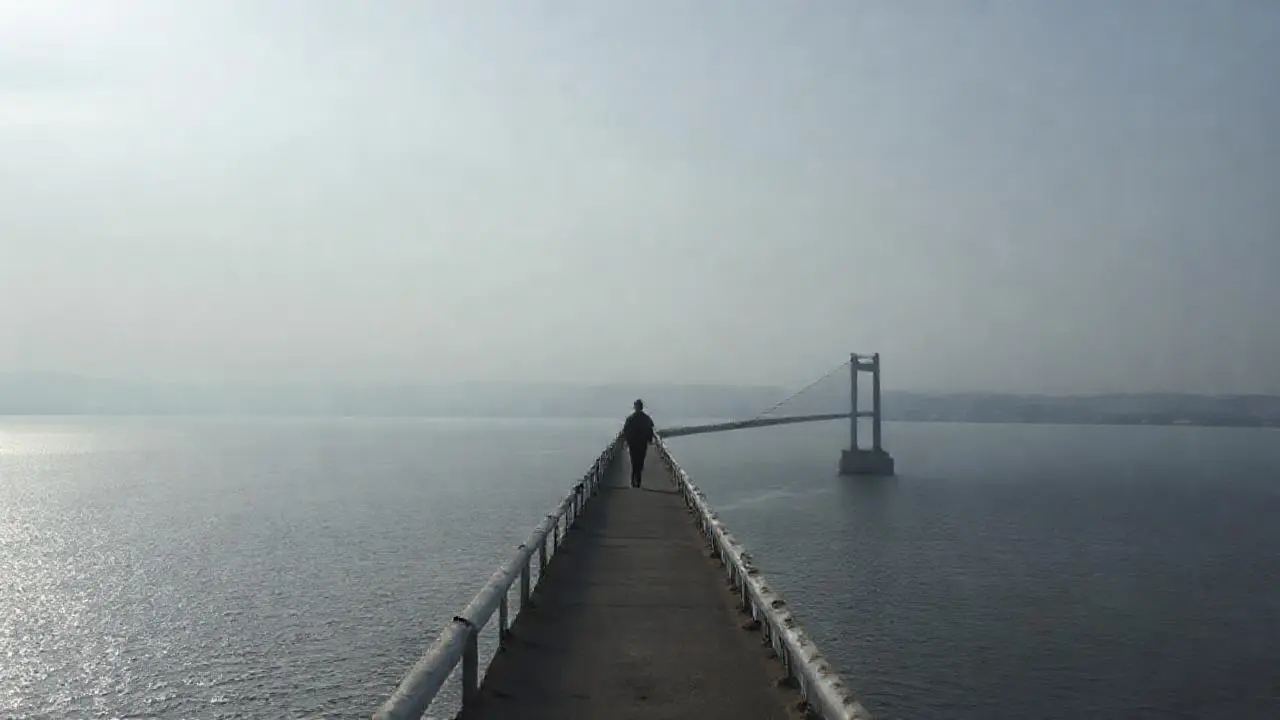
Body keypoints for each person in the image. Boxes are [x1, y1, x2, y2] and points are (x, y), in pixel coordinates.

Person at [622, 398, 655, 488]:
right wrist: (650, 439)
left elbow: (625, 430)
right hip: (642, 444)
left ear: (635, 407)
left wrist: (626, 440)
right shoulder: (646, 418)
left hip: (633, 444)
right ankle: (637, 480)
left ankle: (633, 480)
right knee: (640, 462)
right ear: (642, 407)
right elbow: (651, 428)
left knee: (634, 461)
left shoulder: (630, 418)